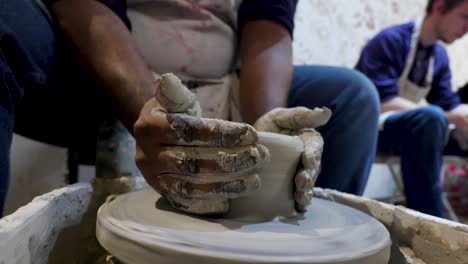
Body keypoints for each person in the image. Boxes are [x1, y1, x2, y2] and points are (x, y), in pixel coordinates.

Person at [0, 0, 379, 217]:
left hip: (226, 77)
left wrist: (265, 138)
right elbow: (90, 8)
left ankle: (298, 241)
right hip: (101, 64)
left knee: (355, 97)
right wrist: (152, 108)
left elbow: (269, 23)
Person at [355, 0, 468, 217]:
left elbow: (449, 104)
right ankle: (430, 220)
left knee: (442, 123)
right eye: (465, 17)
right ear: (439, 7)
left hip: (410, 131)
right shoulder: (391, 40)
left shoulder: (440, 58)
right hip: (371, 129)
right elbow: (381, 100)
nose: (466, 29)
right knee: (432, 118)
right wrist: (447, 115)